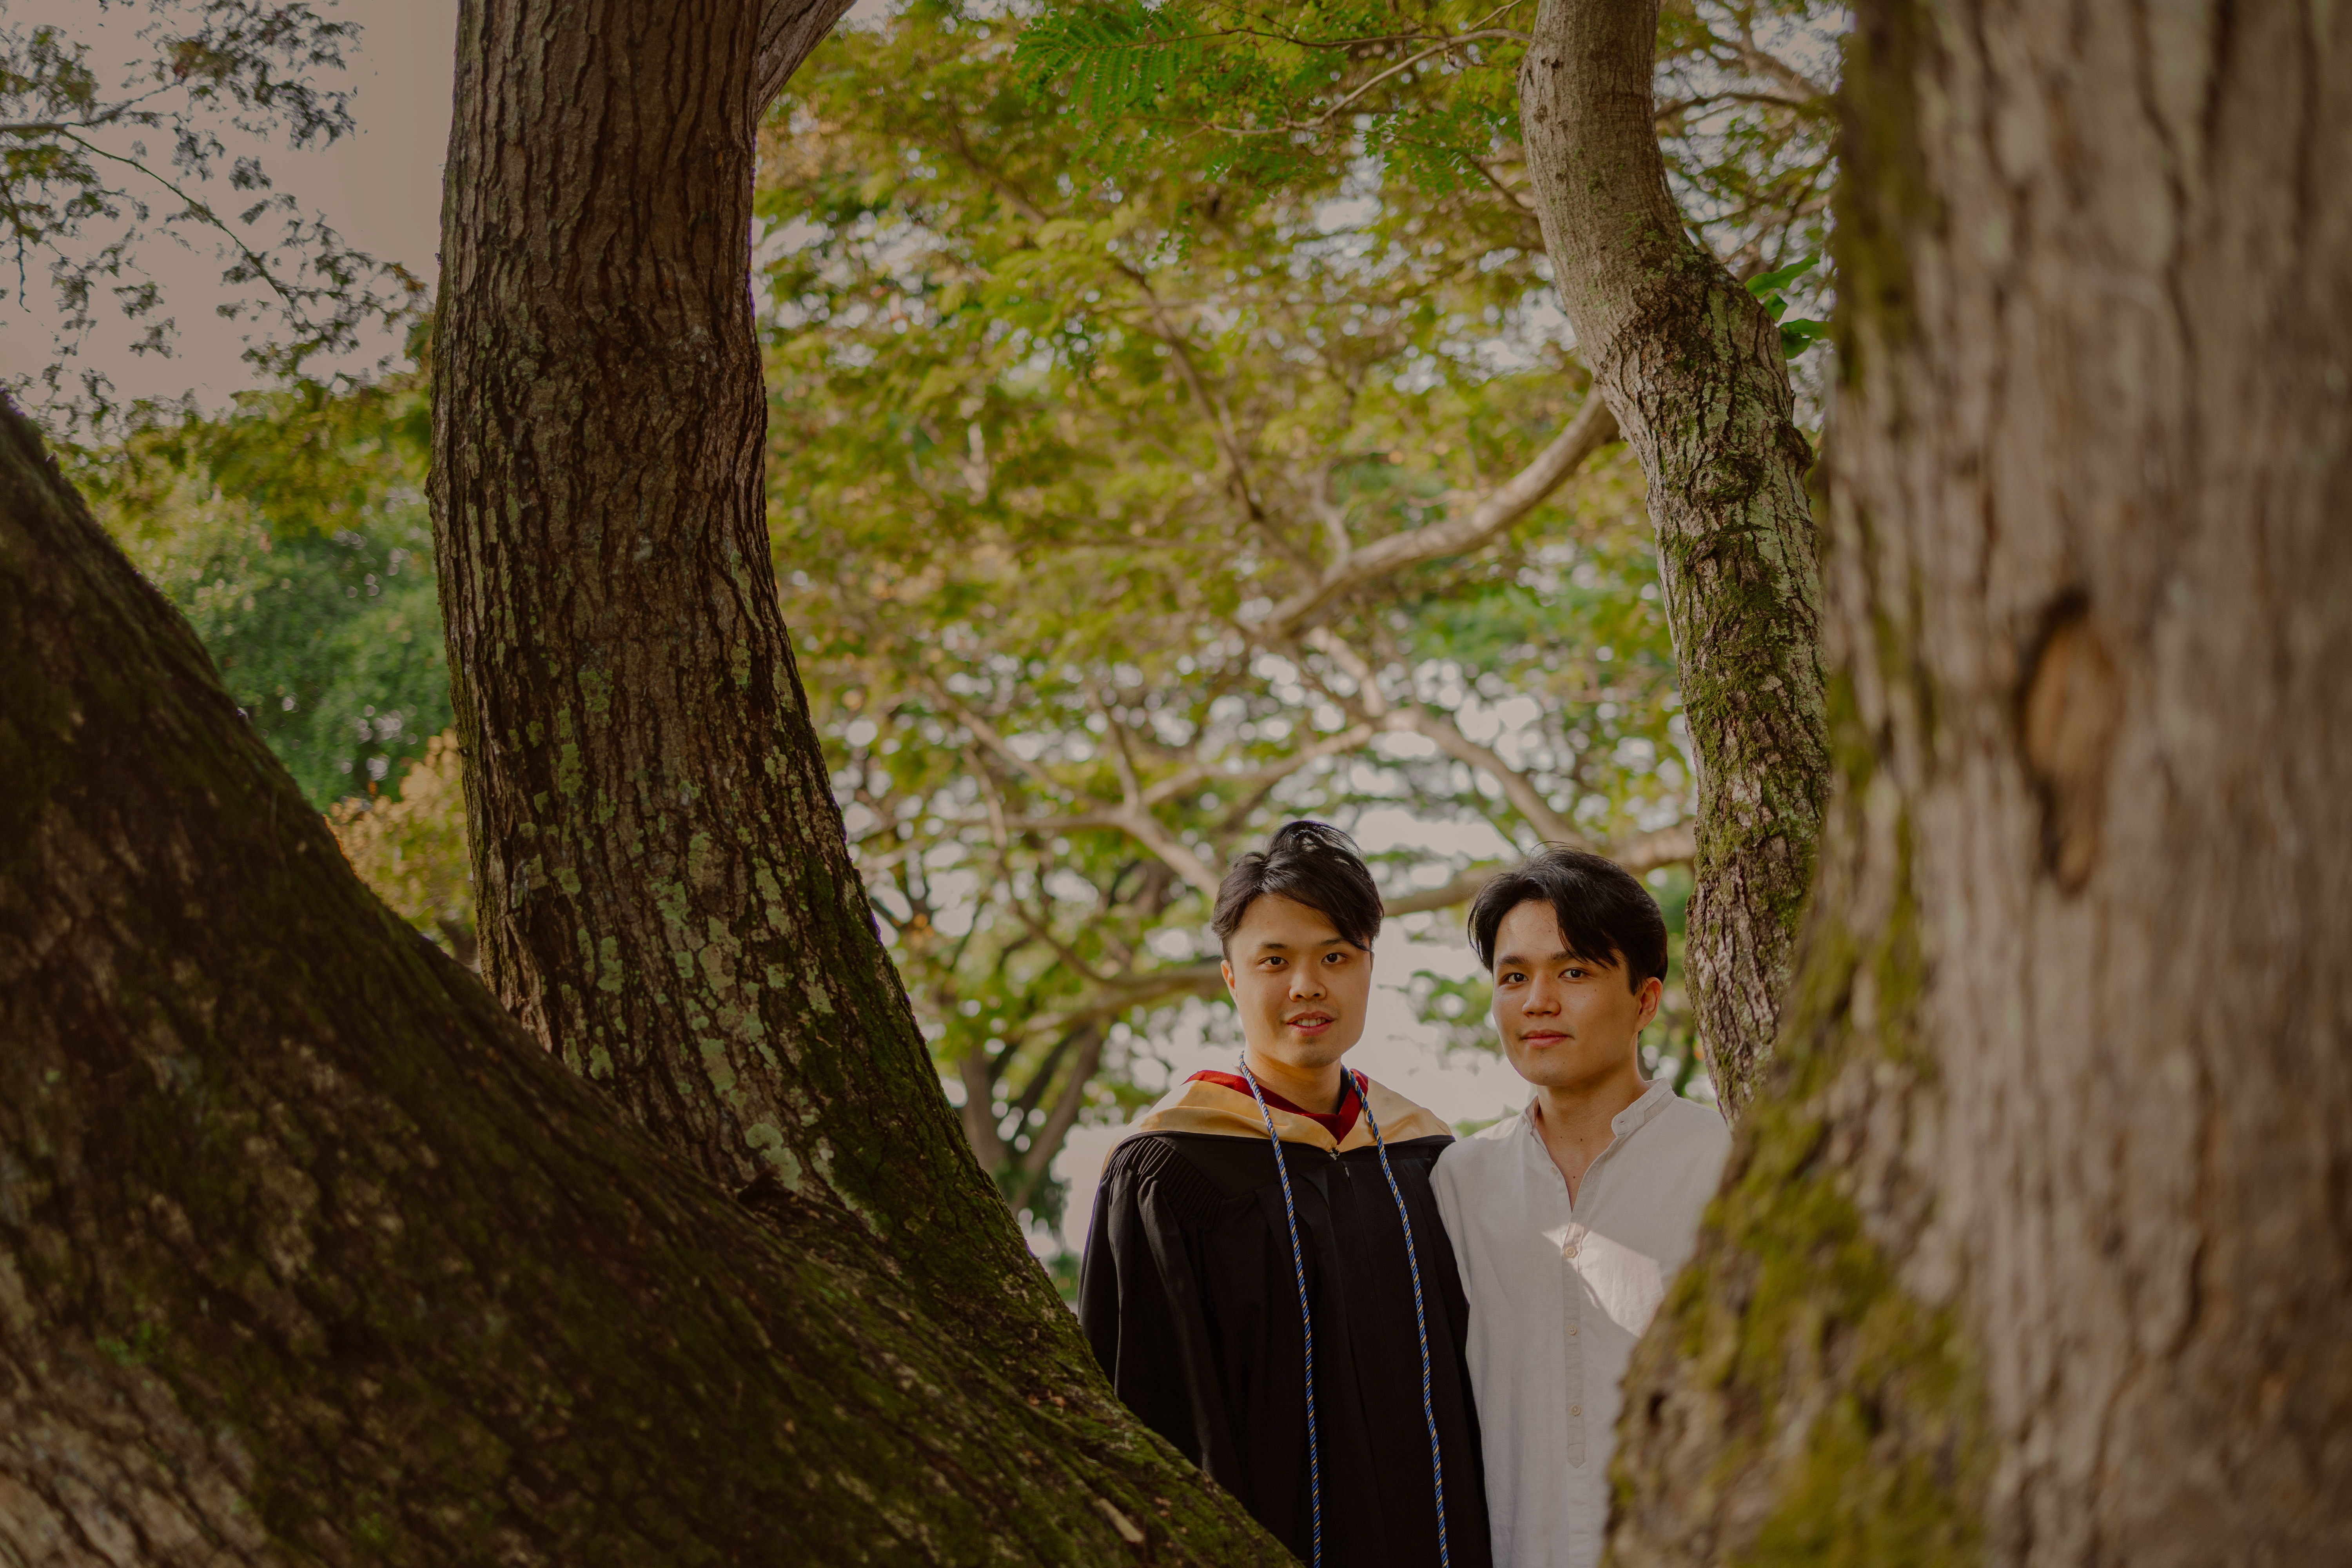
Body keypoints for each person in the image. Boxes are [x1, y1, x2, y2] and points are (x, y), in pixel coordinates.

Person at [1078, 821, 1492, 1568]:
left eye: (1335, 956)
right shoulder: (1169, 1170)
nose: (1308, 985)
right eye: (1275, 960)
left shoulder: (1426, 1157)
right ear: (1233, 978)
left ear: (1369, 968)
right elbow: (1146, 1417)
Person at [1431, 848, 1730, 1568]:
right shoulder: (1458, 1181)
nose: (1537, 1001)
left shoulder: (1729, 1160)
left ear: (1646, 1000)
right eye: (1514, 977)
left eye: (1573, 972)